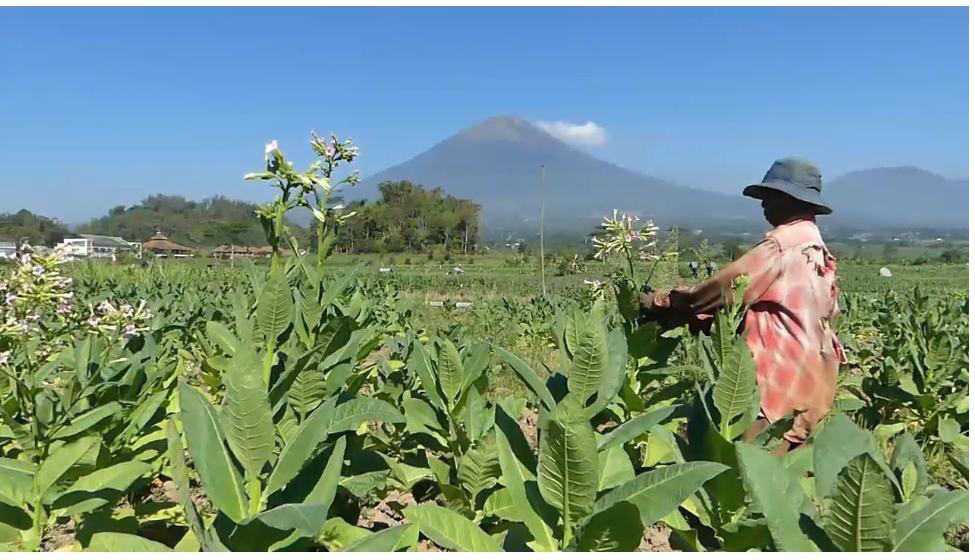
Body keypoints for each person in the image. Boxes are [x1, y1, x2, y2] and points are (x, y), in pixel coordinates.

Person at [640, 158, 846, 454]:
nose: (763, 207)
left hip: (775, 385)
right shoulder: (818, 251)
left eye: (769, 198)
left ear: (788, 200)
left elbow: (721, 290)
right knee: (784, 485)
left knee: (749, 479)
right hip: (813, 384)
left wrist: (662, 302)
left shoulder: (780, 247)